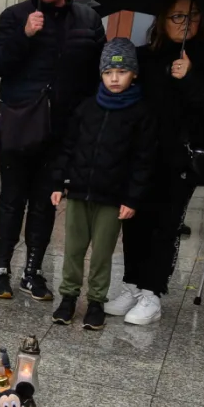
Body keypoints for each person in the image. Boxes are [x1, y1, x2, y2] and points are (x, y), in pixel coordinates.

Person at [0, 0, 106, 300]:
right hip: (21, 123)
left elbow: (95, 74)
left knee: (46, 201)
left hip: (64, 128)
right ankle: (1, 269)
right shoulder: (14, 16)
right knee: (12, 199)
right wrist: (25, 35)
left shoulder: (87, 19)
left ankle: (33, 271)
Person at [107, 0, 204, 325]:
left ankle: (153, 292)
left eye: (192, 15)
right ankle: (132, 284)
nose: (185, 22)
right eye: (177, 15)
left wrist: (190, 77)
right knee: (134, 222)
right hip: (141, 154)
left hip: (180, 158)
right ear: (163, 19)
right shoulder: (146, 56)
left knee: (165, 225)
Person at [48, 38, 155, 330]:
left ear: (133, 74)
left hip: (112, 196)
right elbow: (68, 147)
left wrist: (132, 198)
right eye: (108, 73)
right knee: (73, 248)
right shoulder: (87, 107)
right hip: (80, 192)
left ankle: (96, 301)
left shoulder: (140, 113)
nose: (115, 78)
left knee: (102, 252)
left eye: (121, 72)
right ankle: (68, 297)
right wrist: (59, 182)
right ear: (101, 75)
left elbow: (143, 160)